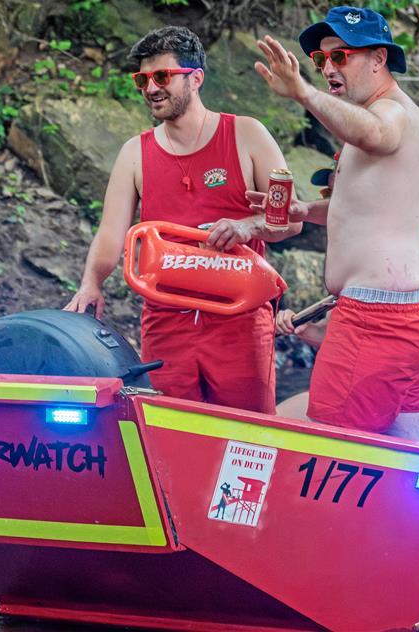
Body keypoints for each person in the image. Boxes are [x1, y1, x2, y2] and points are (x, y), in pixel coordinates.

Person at [64, 26, 302, 413]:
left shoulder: (246, 134)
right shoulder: (134, 153)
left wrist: (246, 226)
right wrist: (91, 283)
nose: (150, 89)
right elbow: (111, 233)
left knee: (248, 438)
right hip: (166, 321)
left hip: (239, 320)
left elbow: (290, 222)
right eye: (142, 79)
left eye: (162, 77)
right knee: (168, 432)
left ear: (196, 78)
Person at [253, 6, 419, 441]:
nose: (328, 67)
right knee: (411, 451)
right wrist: (305, 211)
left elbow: (378, 134)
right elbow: (363, 205)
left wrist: (304, 94)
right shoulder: (375, 116)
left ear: (379, 59)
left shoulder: (392, 112)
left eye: (340, 56)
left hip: (379, 318)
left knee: (328, 442)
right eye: (320, 60)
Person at [274, 221, 419, 420]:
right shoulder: (351, 253)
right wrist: (300, 328)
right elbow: (335, 334)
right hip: (364, 383)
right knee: (280, 415)